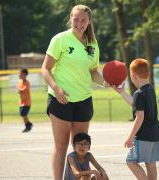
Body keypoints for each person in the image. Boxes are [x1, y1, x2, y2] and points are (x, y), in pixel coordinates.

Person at [41, 4, 108, 180]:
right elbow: (45, 69)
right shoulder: (60, 39)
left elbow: (93, 72)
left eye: (83, 20)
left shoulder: (92, 44)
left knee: (81, 147)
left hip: (84, 100)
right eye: (76, 19)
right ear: (70, 18)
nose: (79, 23)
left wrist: (105, 81)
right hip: (60, 99)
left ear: (89, 22)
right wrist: (57, 89)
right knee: (61, 145)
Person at [112, 58, 159, 180]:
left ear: (133, 76)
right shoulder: (150, 90)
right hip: (155, 133)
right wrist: (122, 92)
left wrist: (130, 137)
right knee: (150, 163)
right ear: (148, 74)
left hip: (144, 135)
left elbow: (139, 117)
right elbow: (135, 104)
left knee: (131, 161)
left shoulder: (139, 93)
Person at [17, 68, 33, 133]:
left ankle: (28, 125)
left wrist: (20, 90)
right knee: (22, 114)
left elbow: (24, 89)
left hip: (27, 102)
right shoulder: (20, 82)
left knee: (23, 113)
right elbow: (18, 88)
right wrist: (20, 90)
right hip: (21, 102)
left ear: (24, 75)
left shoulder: (27, 82)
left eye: (20, 74)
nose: (19, 75)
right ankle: (28, 124)